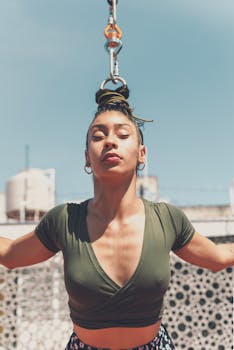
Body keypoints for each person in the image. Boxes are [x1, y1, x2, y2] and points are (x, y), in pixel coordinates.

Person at [0, 85, 233, 350]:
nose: (110, 141)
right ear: (87, 157)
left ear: (141, 154)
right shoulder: (64, 220)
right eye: (98, 136)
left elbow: (219, 257)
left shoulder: (167, 219)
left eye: (123, 134)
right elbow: (10, 254)